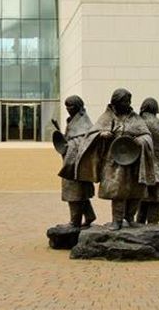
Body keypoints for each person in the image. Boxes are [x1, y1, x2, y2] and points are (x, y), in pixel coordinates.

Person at [63, 88, 156, 230]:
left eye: (129, 101)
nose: (128, 104)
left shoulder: (135, 118)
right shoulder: (106, 117)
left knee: (137, 190)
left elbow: (147, 135)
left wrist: (141, 140)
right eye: (125, 101)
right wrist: (102, 134)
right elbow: (91, 134)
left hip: (134, 161)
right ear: (116, 102)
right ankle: (117, 220)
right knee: (117, 191)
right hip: (114, 162)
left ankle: (130, 218)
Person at [52, 95, 97, 228]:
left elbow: (82, 143)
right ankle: (89, 215)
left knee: (74, 193)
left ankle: (75, 222)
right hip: (72, 162)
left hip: (77, 164)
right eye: (66, 106)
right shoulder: (72, 121)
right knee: (79, 192)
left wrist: (68, 145)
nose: (67, 109)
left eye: (70, 106)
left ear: (78, 107)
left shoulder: (85, 124)